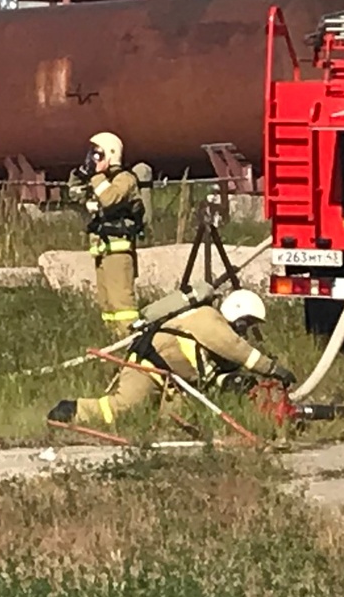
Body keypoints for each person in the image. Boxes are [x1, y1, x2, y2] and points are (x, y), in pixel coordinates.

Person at [48, 288, 291, 428]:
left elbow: (207, 372)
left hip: (169, 382)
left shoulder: (213, 330)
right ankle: (69, 411)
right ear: (237, 314)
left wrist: (233, 382)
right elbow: (237, 348)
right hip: (146, 370)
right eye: (247, 322)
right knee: (120, 409)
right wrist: (271, 368)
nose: (245, 329)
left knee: (180, 422)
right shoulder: (209, 319)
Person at [77, 131, 148, 331]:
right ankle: (111, 343)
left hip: (118, 249)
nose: (93, 159)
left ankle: (130, 343)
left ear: (110, 154)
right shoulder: (101, 180)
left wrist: (97, 176)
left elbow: (109, 199)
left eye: (97, 155)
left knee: (122, 304)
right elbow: (81, 197)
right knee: (107, 305)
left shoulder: (124, 178)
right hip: (102, 248)